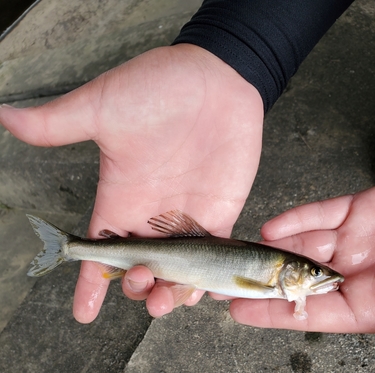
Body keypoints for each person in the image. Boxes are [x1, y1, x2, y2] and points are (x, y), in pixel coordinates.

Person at [1, 0, 371, 333]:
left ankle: (70, 247)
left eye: (317, 271)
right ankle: (70, 247)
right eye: (316, 272)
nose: (323, 276)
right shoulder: (272, 279)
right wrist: (235, 52)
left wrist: (238, 51)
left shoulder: (275, 280)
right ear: (292, 272)